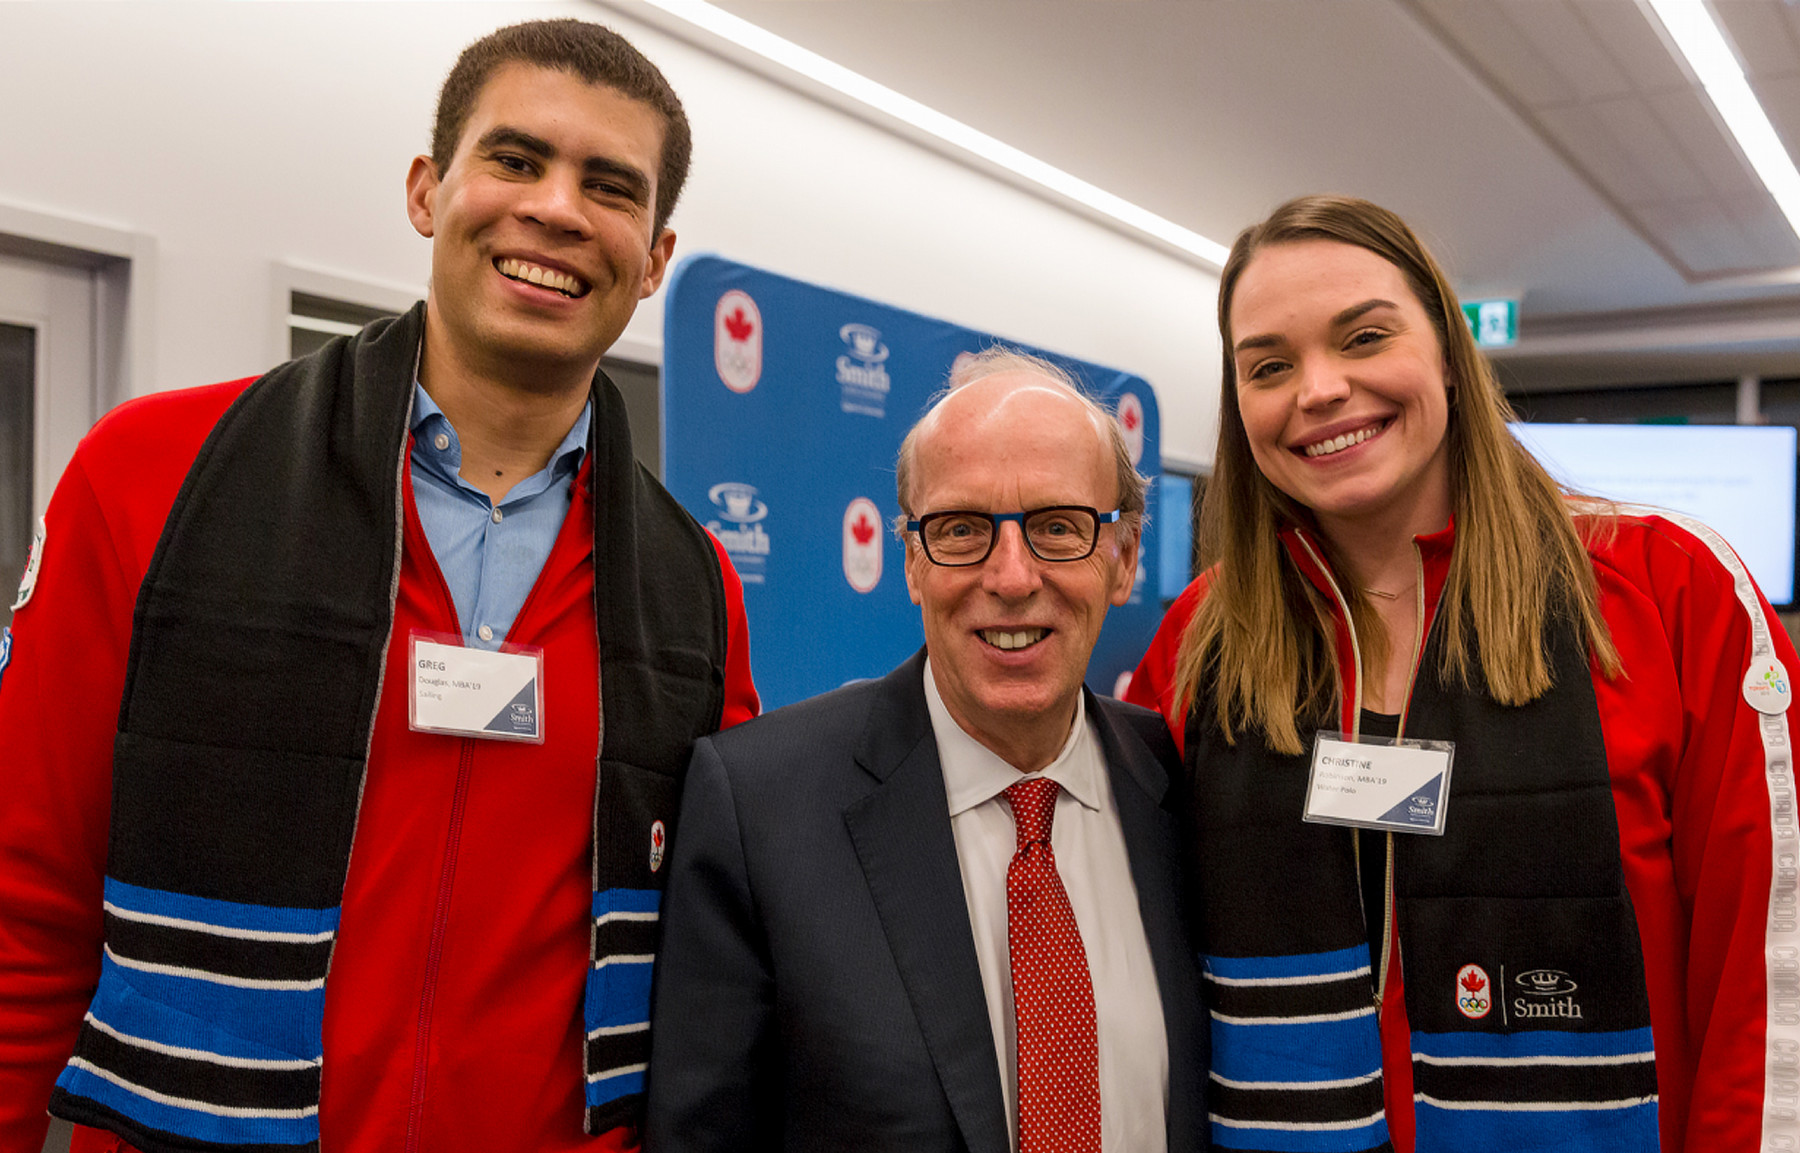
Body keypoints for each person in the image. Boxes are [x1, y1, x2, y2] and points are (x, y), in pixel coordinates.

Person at [0, 19, 758, 1153]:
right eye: (515, 158)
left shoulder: (694, 589)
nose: (555, 207)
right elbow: (26, 890)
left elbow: (704, 970)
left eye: (609, 185)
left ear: (653, 258)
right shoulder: (155, 477)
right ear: (426, 189)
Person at [1124, 194, 1800, 1153]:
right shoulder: (1201, 641)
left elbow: (1769, 982)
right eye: (1269, 365)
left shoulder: (1671, 591)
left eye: (1363, 336)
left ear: (1445, 348)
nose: (1318, 389)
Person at [643, 349, 1207, 1152]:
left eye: (1057, 527)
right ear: (910, 561)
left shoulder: (1186, 789)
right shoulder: (760, 806)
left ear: (1124, 557)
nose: (1011, 577)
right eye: (961, 529)